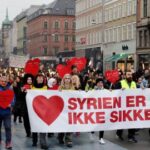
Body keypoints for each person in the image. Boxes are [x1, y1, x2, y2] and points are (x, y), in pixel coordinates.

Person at [116, 71, 137, 143]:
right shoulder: (120, 83)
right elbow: (115, 92)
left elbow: (138, 92)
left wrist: (142, 89)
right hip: (123, 106)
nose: (130, 76)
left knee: (132, 121)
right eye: (128, 74)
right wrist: (119, 90)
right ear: (125, 76)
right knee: (122, 121)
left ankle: (131, 136)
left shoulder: (134, 83)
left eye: (131, 74)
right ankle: (119, 133)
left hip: (132, 106)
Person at [32, 74, 48, 150]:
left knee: (43, 126)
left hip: (44, 110)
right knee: (34, 125)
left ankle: (43, 142)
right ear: (36, 79)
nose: (41, 79)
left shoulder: (46, 87)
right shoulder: (32, 87)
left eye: (42, 78)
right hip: (34, 110)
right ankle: (34, 140)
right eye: (39, 78)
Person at [58, 74, 74, 147]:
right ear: (63, 79)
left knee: (69, 125)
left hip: (70, 109)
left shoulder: (73, 87)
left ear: (70, 79)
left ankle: (69, 140)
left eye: (68, 78)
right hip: (62, 109)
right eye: (66, 78)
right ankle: (60, 137)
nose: (67, 79)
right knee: (62, 124)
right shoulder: (60, 87)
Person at [0, 74, 15, 149]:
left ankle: (8, 142)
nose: (3, 82)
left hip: (7, 113)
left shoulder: (10, 89)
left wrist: (11, 104)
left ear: (7, 81)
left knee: (8, 127)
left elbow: (13, 98)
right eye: (2, 81)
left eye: (5, 81)